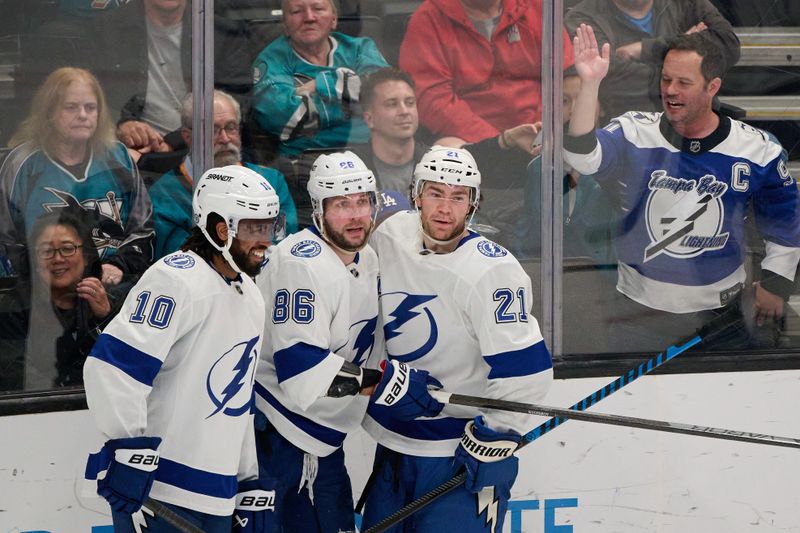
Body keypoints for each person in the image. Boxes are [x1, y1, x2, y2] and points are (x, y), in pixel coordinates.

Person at [563, 25, 800, 351]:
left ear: (712, 87)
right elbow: (580, 156)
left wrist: (775, 284)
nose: (670, 90)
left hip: (722, 319)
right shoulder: (634, 132)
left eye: (684, 83)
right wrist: (590, 84)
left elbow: (785, 221)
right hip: (636, 314)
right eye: (665, 79)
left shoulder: (758, 150)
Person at [361, 146, 554, 532]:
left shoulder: (492, 270)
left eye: (458, 196)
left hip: (454, 455)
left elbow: (526, 374)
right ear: (416, 194)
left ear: (473, 204)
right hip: (393, 446)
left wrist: (495, 438)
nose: (445, 208)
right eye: (435, 193)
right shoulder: (390, 236)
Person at [82, 165, 283, 531]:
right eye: (255, 228)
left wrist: (246, 478)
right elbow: (112, 368)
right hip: (159, 488)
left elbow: (237, 397)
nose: (267, 239)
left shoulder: (251, 294)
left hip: (217, 489)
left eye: (270, 226)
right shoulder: (175, 278)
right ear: (222, 228)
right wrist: (130, 452)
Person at [253, 151, 383, 533]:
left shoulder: (368, 256)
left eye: (363, 202)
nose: (356, 215)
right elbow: (302, 371)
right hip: (282, 436)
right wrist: (383, 385)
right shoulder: (302, 263)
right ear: (318, 210)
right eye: (341, 204)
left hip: (322, 437)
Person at [0, 67, 154, 287]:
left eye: (90, 107)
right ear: (50, 112)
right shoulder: (21, 164)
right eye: (71, 107)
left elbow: (142, 230)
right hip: (44, 294)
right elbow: (6, 241)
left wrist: (119, 264)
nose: (83, 115)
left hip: (114, 287)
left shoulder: (119, 157)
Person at [352, 67, 541, 221]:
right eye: (392, 104)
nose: (405, 111)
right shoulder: (352, 170)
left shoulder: (434, 160)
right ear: (369, 119)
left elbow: (473, 157)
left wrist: (506, 139)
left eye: (409, 103)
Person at [90, 0, 253, 156]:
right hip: (136, 150)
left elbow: (237, 100)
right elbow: (94, 94)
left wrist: (175, 142)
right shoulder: (108, 29)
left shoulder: (220, 32)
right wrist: (122, 123)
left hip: (205, 149)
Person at [398, 0, 574, 142]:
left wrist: (542, 129)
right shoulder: (428, 19)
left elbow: (566, 76)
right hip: (471, 145)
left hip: (544, 135)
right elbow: (432, 100)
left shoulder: (537, 6)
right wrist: (499, 141)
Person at [150, 90, 298, 259]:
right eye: (213, 130)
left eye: (231, 127)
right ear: (188, 137)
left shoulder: (271, 181)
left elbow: (284, 245)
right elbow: (180, 258)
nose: (225, 138)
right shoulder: (165, 194)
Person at [0, 210, 125, 391]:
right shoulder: (12, 309)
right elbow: (18, 379)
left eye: (67, 249)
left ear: (86, 257)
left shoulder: (112, 302)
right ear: (33, 261)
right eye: (46, 251)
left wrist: (106, 317)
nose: (58, 259)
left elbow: (127, 370)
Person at [251, 0, 389, 157]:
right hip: (303, 161)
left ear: (334, 19)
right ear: (285, 24)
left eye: (318, 9)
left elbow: (386, 95)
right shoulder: (272, 60)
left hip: (369, 153)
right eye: (297, 11)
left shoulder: (360, 49)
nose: (309, 17)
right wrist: (354, 104)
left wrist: (320, 85)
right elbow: (283, 120)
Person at [564, 0, 740, 122]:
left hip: (695, 124)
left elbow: (728, 46)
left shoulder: (686, 2)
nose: (672, 86)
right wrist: (689, 75)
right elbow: (611, 80)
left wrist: (647, 49)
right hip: (627, 130)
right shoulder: (582, 18)